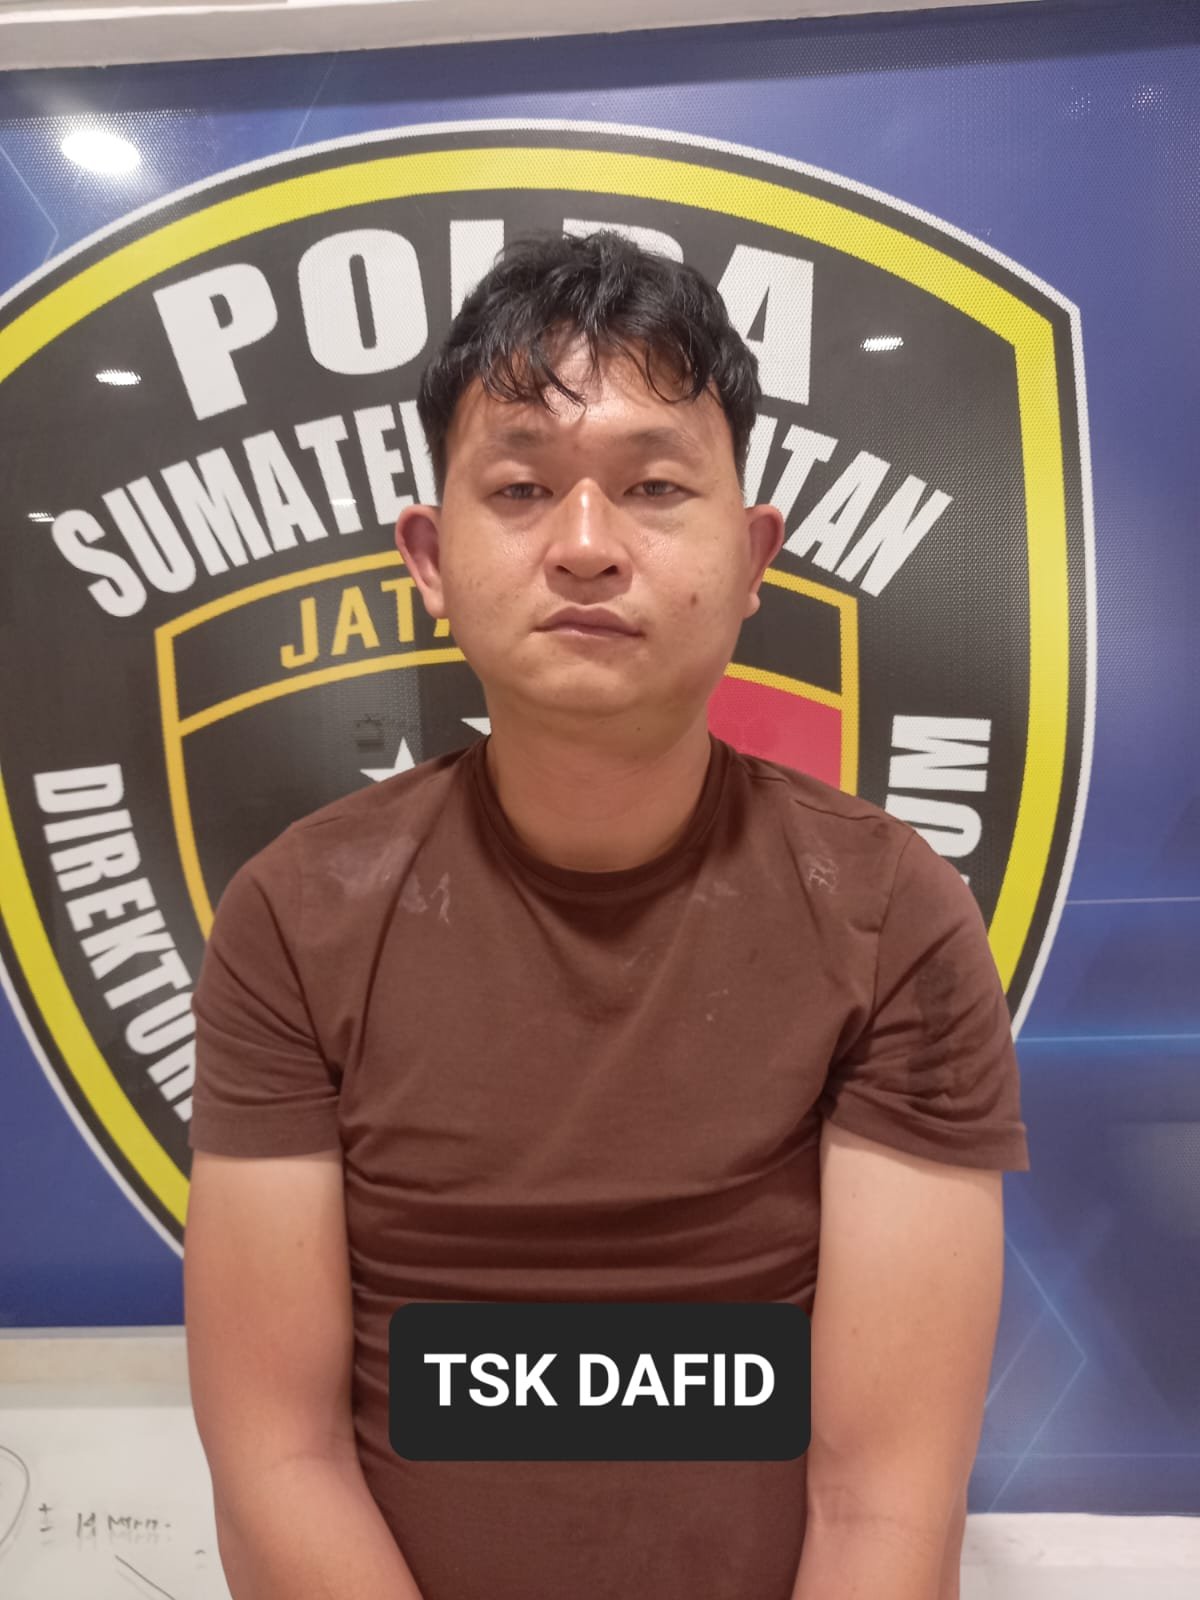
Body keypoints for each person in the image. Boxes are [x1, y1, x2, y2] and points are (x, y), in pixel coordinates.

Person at [184, 229, 1030, 1600]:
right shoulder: (298, 915)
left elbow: (885, 1498)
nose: (586, 548)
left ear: (752, 557)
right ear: (430, 557)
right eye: (521, 488)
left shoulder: (893, 918)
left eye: (653, 487)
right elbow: (278, 1456)